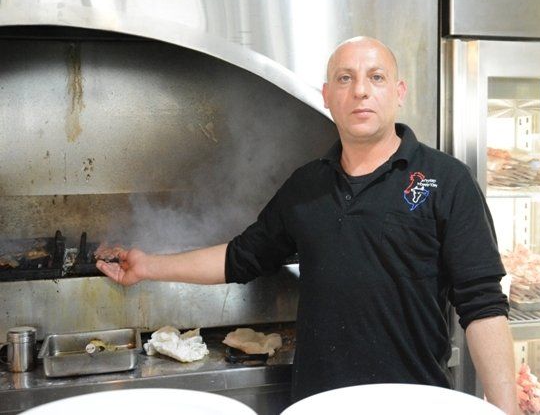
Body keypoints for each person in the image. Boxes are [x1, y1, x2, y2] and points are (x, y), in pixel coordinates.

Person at [97, 36, 518, 413]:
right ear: (327, 96)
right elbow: (241, 257)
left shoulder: (447, 180)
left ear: (399, 92)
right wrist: (148, 265)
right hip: (318, 404)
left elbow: (482, 306)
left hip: (414, 402)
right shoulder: (306, 186)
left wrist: (506, 410)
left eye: (376, 77)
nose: (361, 90)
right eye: (345, 78)